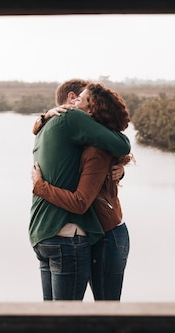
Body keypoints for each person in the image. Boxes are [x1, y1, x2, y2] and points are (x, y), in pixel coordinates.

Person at [29, 79, 131, 301]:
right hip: (81, 232)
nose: (74, 104)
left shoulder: (97, 148)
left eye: (82, 100)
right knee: (66, 317)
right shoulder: (72, 135)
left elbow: (81, 200)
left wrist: (41, 187)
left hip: (107, 232)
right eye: (75, 98)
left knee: (105, 307)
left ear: (93, 110)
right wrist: (43, 118)